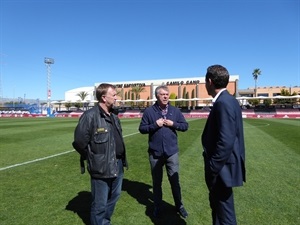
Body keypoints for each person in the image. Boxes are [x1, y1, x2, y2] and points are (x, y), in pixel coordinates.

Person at [72, 83, 128, 225]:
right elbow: (79, 142)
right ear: (104, 97)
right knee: (100, 204)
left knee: (114, 198)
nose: (116, 98)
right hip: (101, 166)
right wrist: (93, 157)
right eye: (114, 95)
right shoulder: (89, 116)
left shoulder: (114, 115)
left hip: (118, 164)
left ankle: (105, 222)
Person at [201, 65, 246, 225]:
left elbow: (226, 140)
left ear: (210, 81)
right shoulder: (229, 100)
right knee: (219, 211)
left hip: (221, 169)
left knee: (225, 215)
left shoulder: (223, 103)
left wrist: (213, 166)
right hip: (223, 168)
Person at [138, 85, 189, 219]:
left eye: (167, 94)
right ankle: (158, 207)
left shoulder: (175, 111)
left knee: (174, 181)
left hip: (172, 153)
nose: (166, 96)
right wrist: (155, 125)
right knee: (157, 182)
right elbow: (142, 129)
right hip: (155, 153)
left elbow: (185, 126)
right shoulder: (149, 111)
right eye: (163, 94)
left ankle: (179, 206)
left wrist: (174, 124)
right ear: (157, 96)